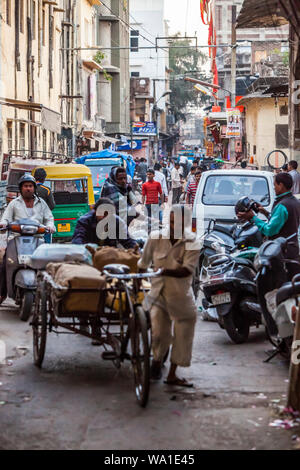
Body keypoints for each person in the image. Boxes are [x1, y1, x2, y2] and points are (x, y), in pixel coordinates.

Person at [138, 205, 199, 386]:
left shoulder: (192, 241)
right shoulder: (155, 238)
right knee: (159, 334)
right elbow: (143, 263)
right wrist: (137, 285)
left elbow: (187, 270)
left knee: (183, 334)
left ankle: (172, 373)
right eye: (171, 221)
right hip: (157, 294)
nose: (174, 226)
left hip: (181, 295)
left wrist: (163, 271)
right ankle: (156, 361)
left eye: (178, 222)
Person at [0, 174, 56, 304]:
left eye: (30, 186)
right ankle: (2, 294)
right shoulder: (14, 204)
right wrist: (3, 224)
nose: (28, 189)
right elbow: (6, 218)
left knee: (49, 266)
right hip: (16, 239)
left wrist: (50, 226)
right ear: (21, 188)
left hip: (38, 239)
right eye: (25, 186)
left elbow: (49, 218)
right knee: (4, 265)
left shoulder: (41, 203)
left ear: (34, 188)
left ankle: (50, 294)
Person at [238, 172, 300, 279]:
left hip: (282, 252)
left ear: (281, 185)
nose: (274, 188)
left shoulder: (282, 205)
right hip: (293, 249)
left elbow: (269, 230)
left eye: (274, 185)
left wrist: (253, 217)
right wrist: (265, 212)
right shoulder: (294, 201)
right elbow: (283, 220)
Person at [72, 197, 138, 249]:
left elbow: (127, 241)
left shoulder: (118, 222)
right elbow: (77, 241)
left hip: (109, 255)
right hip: (89, 253)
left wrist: (137, 250)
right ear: (95, 211)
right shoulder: (84, 221)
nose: (105, 217)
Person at [34, 168, 56, 243]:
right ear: (44, 178)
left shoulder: (29, 189)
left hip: (31, 220)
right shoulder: (46, 190)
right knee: (46, 240)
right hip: (44, 220)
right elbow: (52, 205)